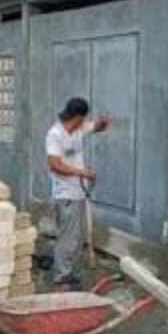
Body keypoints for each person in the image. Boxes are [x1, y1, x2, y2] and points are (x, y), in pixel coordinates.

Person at [45, 98, 109, 291]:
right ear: (78, 117)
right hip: (64, 194)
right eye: (84, 118)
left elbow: (96, 128)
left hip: (78, 192)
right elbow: (55, 165)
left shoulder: (79, 128)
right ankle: (62, 277)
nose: (85, 122)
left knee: (76, 238)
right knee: (68, 237)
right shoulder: (55, 134)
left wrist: (102, 123)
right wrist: (82, 172)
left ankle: (68, 272)